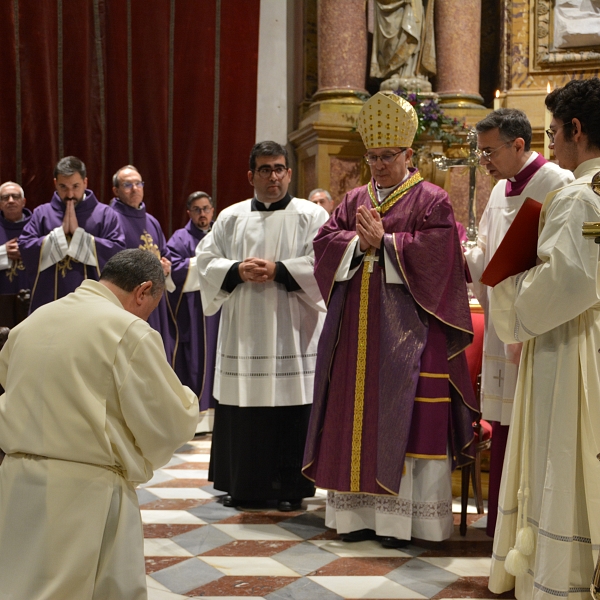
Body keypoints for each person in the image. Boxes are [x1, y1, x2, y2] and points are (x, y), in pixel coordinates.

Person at [302, 91, 477, 548]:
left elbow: (442, 258)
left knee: (408, 417)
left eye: (387, 156)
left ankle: (407, 523)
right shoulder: (354, 198)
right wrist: (357, 246)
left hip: (409, 332)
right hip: (354, 330)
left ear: (408, 154)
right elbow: (325, 241)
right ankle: (357, 518)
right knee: (352, 413)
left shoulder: (432, 199)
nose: (378, 165)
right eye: (373, 157)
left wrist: (389, 244)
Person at [0, 249, 199, 600]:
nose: (147, 316)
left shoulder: (33, 321)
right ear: (143, 290)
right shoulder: (125, 329)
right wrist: (188, 400)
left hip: (16, 481)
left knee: (18, 585)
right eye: (151, 307)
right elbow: (169, 418)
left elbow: (10, 381)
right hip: (87, 490)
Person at [488, 78, 600, 600]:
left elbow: (561, 283)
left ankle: (567, 575)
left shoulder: (577, 196)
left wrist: (508, 285)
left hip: (571, 345)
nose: (550, 142)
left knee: (567, 452)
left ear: (577, 129)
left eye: (553, 131)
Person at [196, 141, 328, 512]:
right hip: (246, 327)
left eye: (280, 168)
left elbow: (325, 260)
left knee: (290, 407)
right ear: (251, 175)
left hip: (292, 324)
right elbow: (205, 260)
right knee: (244, 404)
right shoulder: (231, 217)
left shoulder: (311, 216)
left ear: (289, 172)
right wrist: (235, 270)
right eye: (266, 169)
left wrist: (281, 270)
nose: (274, 176)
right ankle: (244, 485)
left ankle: (290, 487)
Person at [464, 109, 574, 537]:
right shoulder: (497, 191)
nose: (484, 161)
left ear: (518, 145)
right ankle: (501, 527)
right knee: (506, 421)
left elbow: (557, 264)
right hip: (499, 324)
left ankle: (531, 531)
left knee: (532, 424)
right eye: (480, 152)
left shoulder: (557, 184)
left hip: (536, 328)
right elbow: (489, 255)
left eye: (489, 151)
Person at [19, 156, 126, 313]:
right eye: (63, 187)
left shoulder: (105, 214)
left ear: (85, 182)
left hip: (93, 305)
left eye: (75, 186)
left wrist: (78, 236)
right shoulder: (42, 213)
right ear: (55, 183)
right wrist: (60, 235)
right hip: (49, 302)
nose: (70, 194)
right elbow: (25, 248)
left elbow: (117, 252)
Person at [109, 165, 177, 363]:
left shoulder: (152, 221)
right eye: (127, 184)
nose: (134, 188)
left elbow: (164, 253)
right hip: (129, 298)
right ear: (116, 190)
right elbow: (111, 258)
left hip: (154, 297)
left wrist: (165, 267)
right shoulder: (111, 218)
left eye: (138, 183)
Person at [167, 191, 219, 416]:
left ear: (212, 210)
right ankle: (194, 413)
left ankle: (219, 410)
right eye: (197, 210)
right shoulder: (180, 238)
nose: (203, 214)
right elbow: (173, 269)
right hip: (194, 309)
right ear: (189, 212)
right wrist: (208, 265)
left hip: (220, 308)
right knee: (196, 357)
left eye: (206, 208)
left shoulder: (221, 233)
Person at [0, 181, 32, 325]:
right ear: (0, 204)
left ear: (23, 201)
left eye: (15, 196)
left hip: (32, 297)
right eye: (5, 197)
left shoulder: (36, 225)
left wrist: (26, 251)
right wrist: (3, 252)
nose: (11, 201)